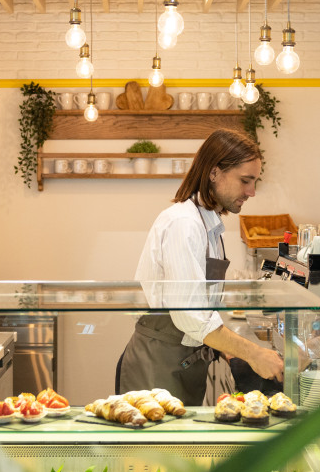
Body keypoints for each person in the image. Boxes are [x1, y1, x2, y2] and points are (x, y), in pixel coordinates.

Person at [116, 128, 284, 405]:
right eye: (245, 181)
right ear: (214, 172)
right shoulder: (185, 224)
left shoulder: (209, 224)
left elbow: (202, 307)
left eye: (254, 181)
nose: (252, 191)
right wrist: (253, 353)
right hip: (157, 367)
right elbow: (191, 315)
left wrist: (228, 347)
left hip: (184, 362)